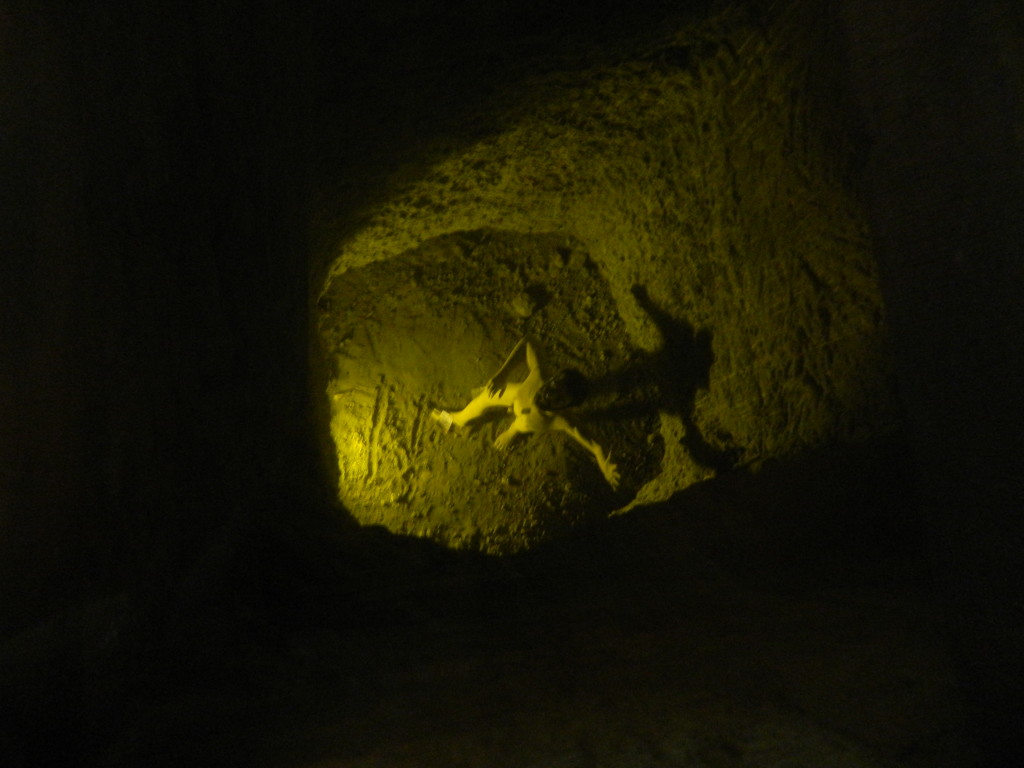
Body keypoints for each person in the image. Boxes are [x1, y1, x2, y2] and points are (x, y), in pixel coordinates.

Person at [431, 337, 620, 489]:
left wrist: (603, 463)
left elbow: (594, 445)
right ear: (552, 378)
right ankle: (459, 419)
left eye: (559, 398)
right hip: (518, 397)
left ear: (565, 407)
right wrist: (503, 374)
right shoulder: (539, 376)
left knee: (522, 424)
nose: (549, 393)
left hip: (527, 421)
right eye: (553, 384)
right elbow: (528, 342)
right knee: (483, 399)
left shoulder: (560, 420)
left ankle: (511, 431)